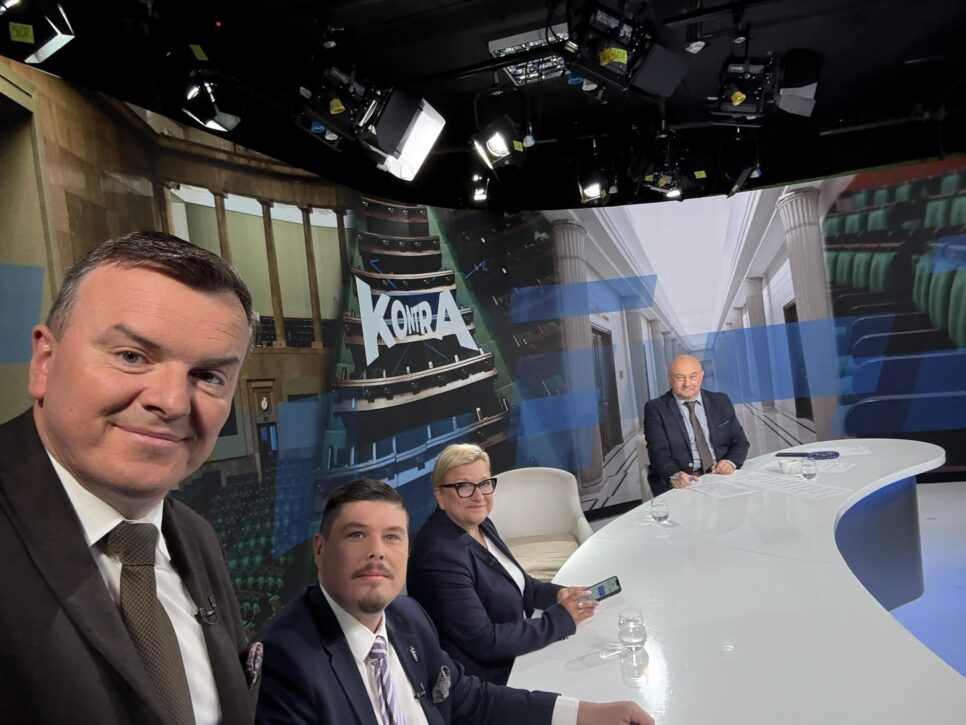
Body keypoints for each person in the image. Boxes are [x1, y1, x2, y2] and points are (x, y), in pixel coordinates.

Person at [0, 232, 259, 724]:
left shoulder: (198, 537)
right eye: (131, 356)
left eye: (208, 376)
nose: (172, 402)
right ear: (45, 362)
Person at [255, 478, 654, 725]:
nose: (377, 551)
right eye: (357, 535)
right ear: (320, 549)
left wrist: (584, 714)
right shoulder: (285, 661)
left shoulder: (407, 617)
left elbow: (468, 700)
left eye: (392, 536)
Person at [407, 443, 594, 685]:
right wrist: (559, 621)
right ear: (440, 496)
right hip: (491, 681)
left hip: (519, 651)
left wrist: (558, 594)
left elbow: (518, 581)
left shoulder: (479, 523)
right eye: (464, 486)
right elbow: (485, 641)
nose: (478, 496)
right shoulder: (438, 556)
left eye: (484, 484)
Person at [644, 354, 750, 496]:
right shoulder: (655, 408)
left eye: (693, 376)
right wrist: (674, 474)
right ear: (669, 378)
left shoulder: (720, 401)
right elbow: (658, 451)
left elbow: (740, 442)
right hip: (683, 482)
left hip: (720, 476)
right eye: (680, 377)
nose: (687, 384)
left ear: (701, 376)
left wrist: (730, 462)